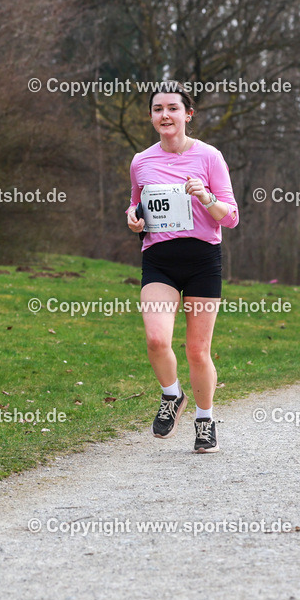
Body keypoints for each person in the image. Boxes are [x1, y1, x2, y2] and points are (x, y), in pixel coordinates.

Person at [126, 82, 239, 453]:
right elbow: (136, 207)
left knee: (197, 350)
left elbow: (231, 217)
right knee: (157, 339)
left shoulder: (209, 157)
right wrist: (133, 219)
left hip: (202, 260)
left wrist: (206, 197)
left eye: (172, 108)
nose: (165, 116)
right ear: (151, 116)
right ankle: (172, 396)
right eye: (158, 109)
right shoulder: (141, 161)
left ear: (187, 114)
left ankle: (205, 420)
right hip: (158, 259)